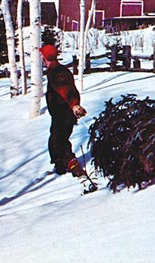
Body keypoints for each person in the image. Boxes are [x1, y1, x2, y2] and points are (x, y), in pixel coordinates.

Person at [39, 44, 87, 177]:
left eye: (42, 55)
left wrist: (73, 105)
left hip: (63, 112)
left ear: (44, 57)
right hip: (61, 112)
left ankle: (73, 166)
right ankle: (59, 166)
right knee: (55, 139)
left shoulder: (56, 73)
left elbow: (65, 89)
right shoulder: (59, 70)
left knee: (59, 140)